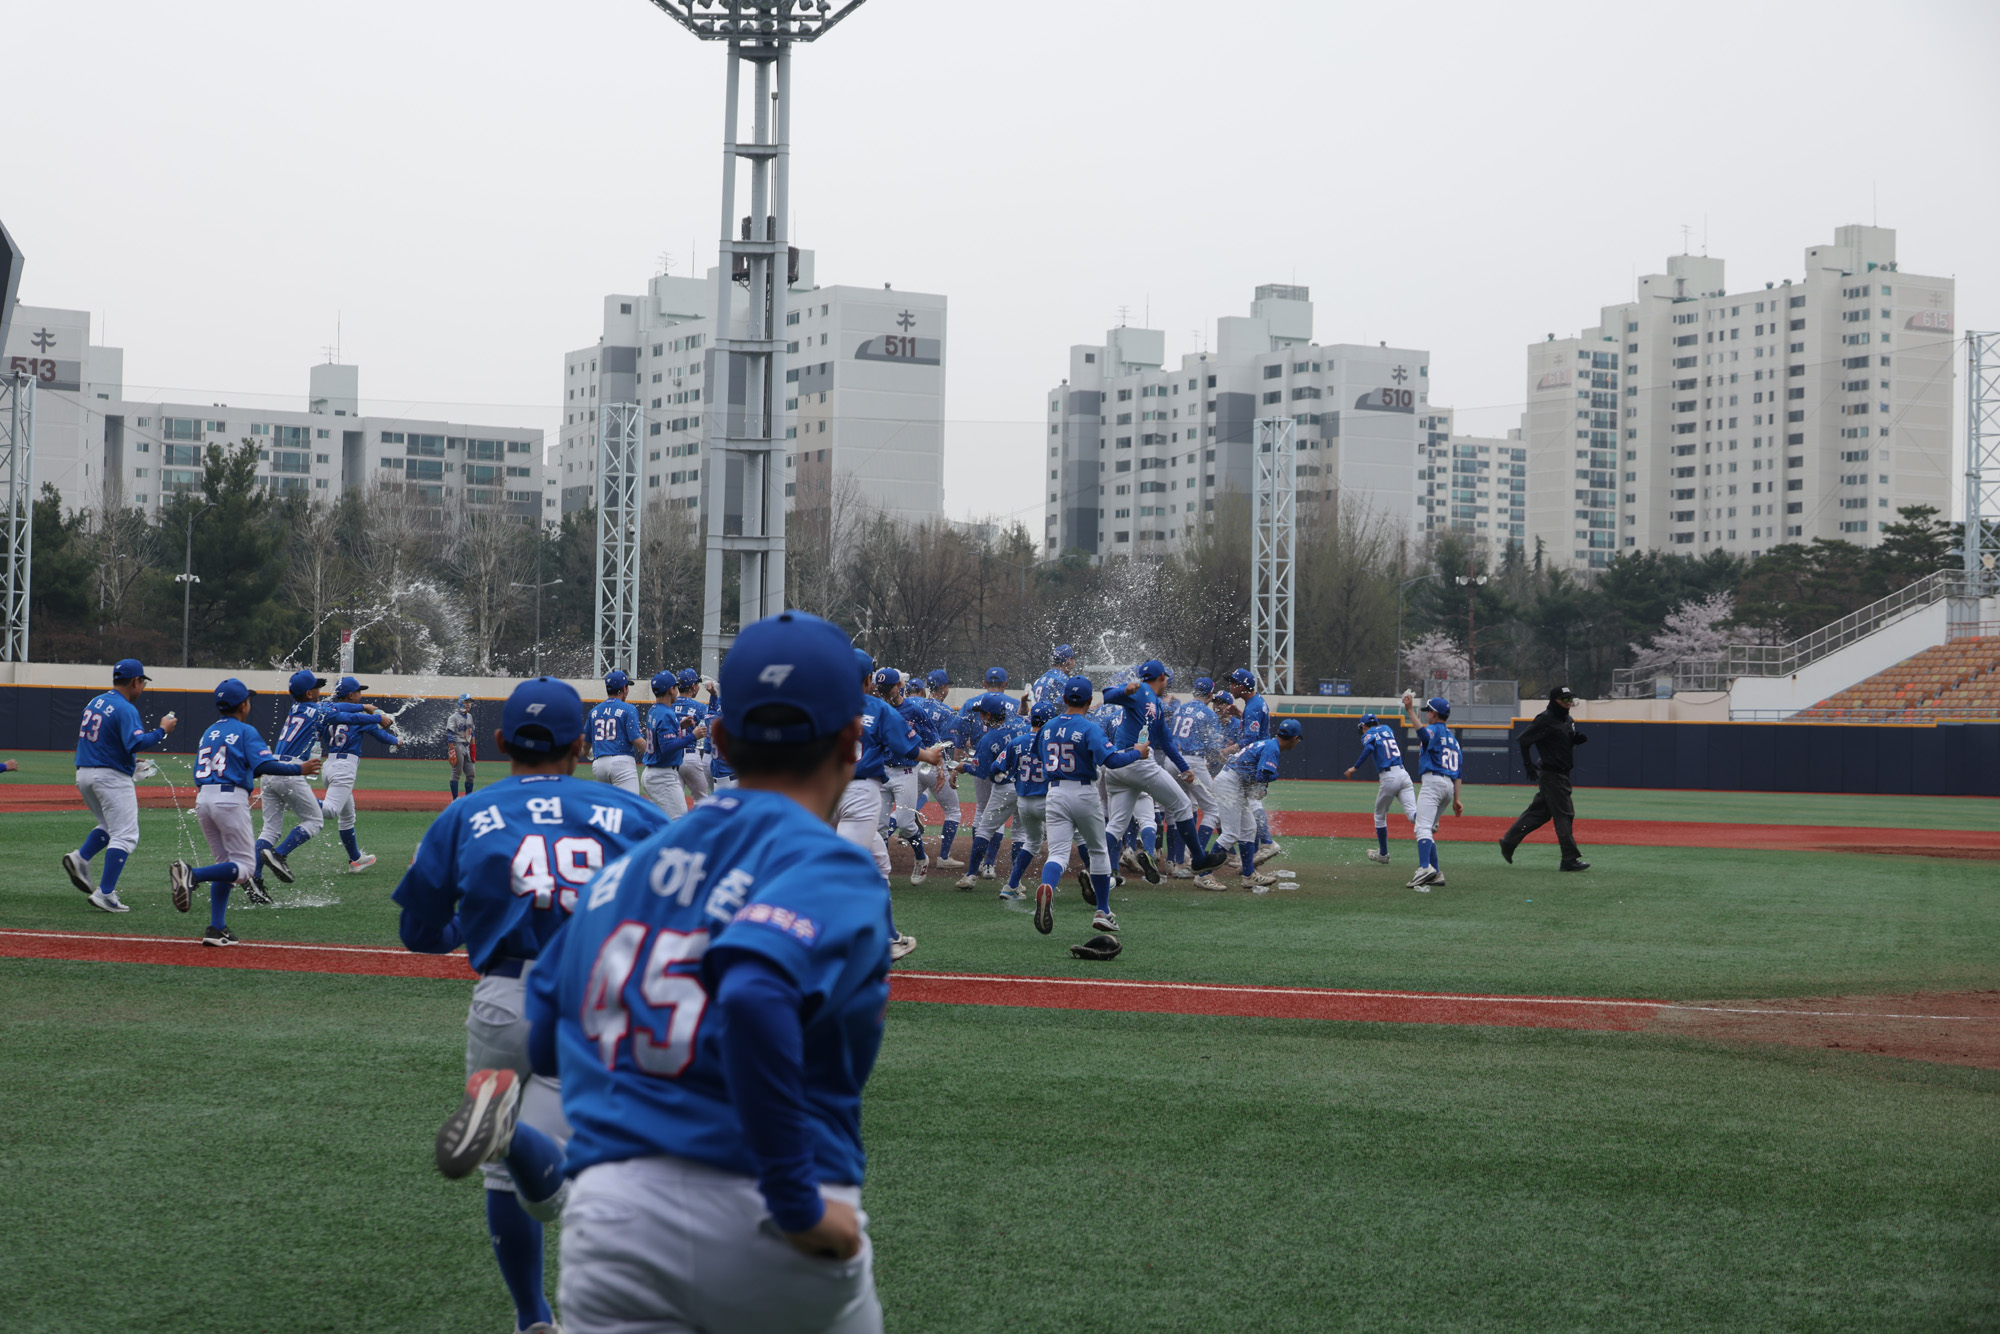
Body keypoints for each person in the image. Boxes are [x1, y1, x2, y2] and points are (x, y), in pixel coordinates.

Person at [481, 610, 890, 1334]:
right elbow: (757, 991)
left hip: (611, 1223)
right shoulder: (828, 862)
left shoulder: (624, 873)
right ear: (853, 742)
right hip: (765, 1213)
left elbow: (544, 1040)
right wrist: (796, 1203)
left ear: (723, 740)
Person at [399, 676, 668, 1334]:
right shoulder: (630, 813)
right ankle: (515, 1136)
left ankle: (531, 1317)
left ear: (498, 741)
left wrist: (475, 925)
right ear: (581, 743)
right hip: (590, 994)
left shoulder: (465, 814)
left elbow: (419, 933)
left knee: (501, 1181)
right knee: (573, 1180)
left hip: (500, 994)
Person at [170, 679, 322, 945]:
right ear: (243, 704)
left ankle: (217, 928)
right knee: (244, 869)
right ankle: (192, 874)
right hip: (229, 800)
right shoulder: (245, 730)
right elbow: (265, 763)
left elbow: (255, 768)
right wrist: (301, 769)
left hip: (204, 799)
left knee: (225, 867)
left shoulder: (209, 731)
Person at [1035, 676, 1150, 938]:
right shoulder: (1089, 728)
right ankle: (1102, 911)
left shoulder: (1048, 726)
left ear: (1064, 699)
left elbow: (1038, 755)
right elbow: (1111, 761)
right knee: (1098, 852)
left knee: (1058, 855)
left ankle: (1047, 888)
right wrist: (1138, 753)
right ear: (1089, 701)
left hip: (1055, 792)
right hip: (1084, 792)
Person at [838, 650, 933, 960]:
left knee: (879, 861)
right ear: (868, 680)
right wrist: (931, 756)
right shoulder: (876, 707)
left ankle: (890, 937)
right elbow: (905, 745)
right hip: (861, 794)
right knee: (844, 868)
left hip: (824, 792)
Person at [64, 658, 178, 913]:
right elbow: (137, 741)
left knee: (108, 825)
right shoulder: (125, 708)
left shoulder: (97, 701)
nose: (143, 687)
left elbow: (108, 743)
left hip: (84, 773)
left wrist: (128, 760)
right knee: (125, 835)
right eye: (142, 682)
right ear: (136, 681)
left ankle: (80, 858)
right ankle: (105, 893)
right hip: (110, 778)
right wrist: (162, 730)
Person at [1103, 660, 1230, 884]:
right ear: (1163, 677)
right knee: (1182, 805)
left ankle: (1098, 867)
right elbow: (1107, 694)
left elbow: (1167, 742)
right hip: (1138, 762)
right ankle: (1199, 859)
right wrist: (1125, 689)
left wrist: (1184, 768)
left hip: (1118, 765)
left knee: (1116, 824)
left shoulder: (1157, 704)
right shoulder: (1141, 690)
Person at [255, 669, 377, 894]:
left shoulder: (296, 708)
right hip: (290, 770)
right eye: (318, 687)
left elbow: (339, 707)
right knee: (314, 821)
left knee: (269, 830)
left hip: (271, 770)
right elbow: (347, 716)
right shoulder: (316, 711)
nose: (321, 691)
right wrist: (377, 716)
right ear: (310, 693)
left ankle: (254, 877)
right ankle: (279, 854)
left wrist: (363, 706)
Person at [1501, 685, 1591, 872]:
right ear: (1554, 700)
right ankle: (1569, 858)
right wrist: (1528, 765)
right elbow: (1523, 740)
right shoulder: (1545, 719)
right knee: (1565, 815)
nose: (1568, 703)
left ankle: (1509, 841)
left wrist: (1574, 740)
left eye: (1570, 699)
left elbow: (1559, 741)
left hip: (1562, 775)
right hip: (1553, 775)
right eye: (1564, 700)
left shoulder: (1567, 720)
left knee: (1539, 813)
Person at [317, 675, 400, 873]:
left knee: (347, 815)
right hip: (344, 767)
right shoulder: (360, 717)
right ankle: (294, 797)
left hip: (329, 764)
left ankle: (355, 859)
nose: (361, 696)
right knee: (331, 811)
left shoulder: (329, 712)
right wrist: (397, 741)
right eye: (359, 692)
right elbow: (380, 735)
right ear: (352, 695)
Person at [1209, 718, 1303, 891]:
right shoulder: (1272, 748)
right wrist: (1273, 777)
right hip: (1230, 784)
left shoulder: (1268, 743)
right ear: (1295, 738)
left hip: (1234, 783)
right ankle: (1203, 875)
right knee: (1230, 834)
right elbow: (1262, 775)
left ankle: (1249, 875)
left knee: (1250, 828)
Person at [1399, 692, 1463, 890]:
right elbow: (1458, 772)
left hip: (1433, 782)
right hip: (1449, 788)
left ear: (1434, 714)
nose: (1427, 715)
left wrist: (1410, 711)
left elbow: (1424, 735)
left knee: (1421, 828)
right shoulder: (1453, 739)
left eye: (1428, 712)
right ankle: (1436, 872)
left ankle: (1424, 868)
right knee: (1427, 826)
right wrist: (1457, 800)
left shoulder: (1434, 729)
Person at [955, 693, 1019, 890]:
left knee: (984, 827)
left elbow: (982, 772)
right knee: (1021, 834)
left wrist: (962, 767)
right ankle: (1016, 882)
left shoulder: (989, 738)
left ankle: (972, 874)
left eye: (982, 713)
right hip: (1027, 786)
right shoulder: (1020, 727)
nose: (980, 717)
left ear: (988, 715)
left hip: (1004, 786)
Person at [875, 670, 931, 883]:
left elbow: (931, 738)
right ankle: (883, 873)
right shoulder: (880, 708)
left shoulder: (914, 710)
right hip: (882, 771)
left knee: (907, 825)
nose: (883, 693)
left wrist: (934, 761)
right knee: (880, 827)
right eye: (880, 689)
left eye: (887, 688)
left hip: (906, 771)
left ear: (899, 685)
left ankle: (921, 858)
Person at [1000, 700, 1058, 901]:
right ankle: (1097, 883)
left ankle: (1011, 885)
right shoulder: (1052, 742)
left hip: (1024, 802)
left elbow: (996, 769)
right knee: (1079, 838)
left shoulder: (1017, 741)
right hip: (1047, 801)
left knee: (1032, 843)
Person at [908, 669, 964, 869]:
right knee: (953, 812)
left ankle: (882, 852)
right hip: (934, 765)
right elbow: (948, 744)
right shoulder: (948, 712)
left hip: (913, 764)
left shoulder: (915, 704)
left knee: (902, 813)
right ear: (943, 687)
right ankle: (943, 857)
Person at [1344, 711, 1416, 868]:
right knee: (1413, 815)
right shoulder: (1387, 728)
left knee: (1379, 815)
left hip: (1389, 777)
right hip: (1404, 774)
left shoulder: (1368, 733)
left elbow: (1369, 748)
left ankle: (1383, 854)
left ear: (1363, 726)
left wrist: (1355, 768)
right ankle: (1430, 819)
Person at [642, 670, 693, 818]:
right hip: (662, 776)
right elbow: (667, 747)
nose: (677, 691)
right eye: (676, 687)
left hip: (653, 773)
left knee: (660, 823)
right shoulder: (666, 713)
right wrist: (693, 737)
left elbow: (661, 737)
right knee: (679, 823)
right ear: (671, 689)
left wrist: (679, 726)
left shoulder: (654, 710)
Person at [588, 670, 647, 793]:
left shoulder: (594, 711)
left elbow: (585, 745)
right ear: (624, 688)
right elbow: (636, 740)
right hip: (621, 763)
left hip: (599, 765)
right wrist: (652, 752)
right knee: (630, 806)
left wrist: (587, 752)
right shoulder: (628, 709)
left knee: (608, 807)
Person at [672, 668, 713, 804]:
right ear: (693, 686)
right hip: (691, 756)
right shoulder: (700, 707)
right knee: (702, 799)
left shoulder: (669, 705)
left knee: (676, 802)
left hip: (673, 757)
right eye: (697, 684)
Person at [447, 693, 478, 799]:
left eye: (469, 702)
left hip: (467, 746)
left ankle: (467, 800)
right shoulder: (453, 717)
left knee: (471, 774)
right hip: (457, 745)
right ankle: (455, 799)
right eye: (466, 702)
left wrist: (473, 749)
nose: (469, 704)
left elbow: (472, 733)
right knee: (457, 773)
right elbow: (450, 734)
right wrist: (451, 750)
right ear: (461, 702)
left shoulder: (470, 716)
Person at [1032, 645, 1075, 711]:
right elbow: (1064, 710)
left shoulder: (1040, 679)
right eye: (1073, 658)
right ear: (1069, 660)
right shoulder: (1063, 680)